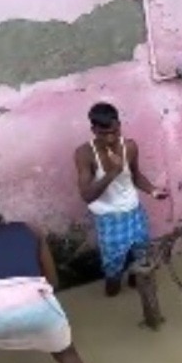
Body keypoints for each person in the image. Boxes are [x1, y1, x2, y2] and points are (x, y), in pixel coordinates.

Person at [0, 199, 89, 363]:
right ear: (0, 217)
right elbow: (53, 281)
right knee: (67, 353)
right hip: (38, 304)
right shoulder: (31, 231)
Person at [73, 102, 168, 296]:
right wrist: (113, 172)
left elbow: (135, 176)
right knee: (113, 268)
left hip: (134, 212)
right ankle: (114, 291)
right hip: (108, 218)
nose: (110, 139)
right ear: (93, 130)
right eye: (103, 134)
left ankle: (136, 286)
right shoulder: (84, 153)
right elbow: (87, 196)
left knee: (141, 260)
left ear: (119, 125)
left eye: (115, 132)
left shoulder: (130, 146)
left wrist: (152, 191)